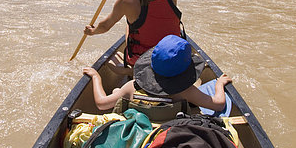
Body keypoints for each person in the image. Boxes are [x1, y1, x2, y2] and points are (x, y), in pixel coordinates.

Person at [83, 35, 232, 112]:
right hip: (169, 136)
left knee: (117, 91)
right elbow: (218, 105)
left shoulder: (131, 87)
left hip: (142, 135)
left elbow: (101, 104)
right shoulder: (187, 91)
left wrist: (96, 77)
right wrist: (219, 84)